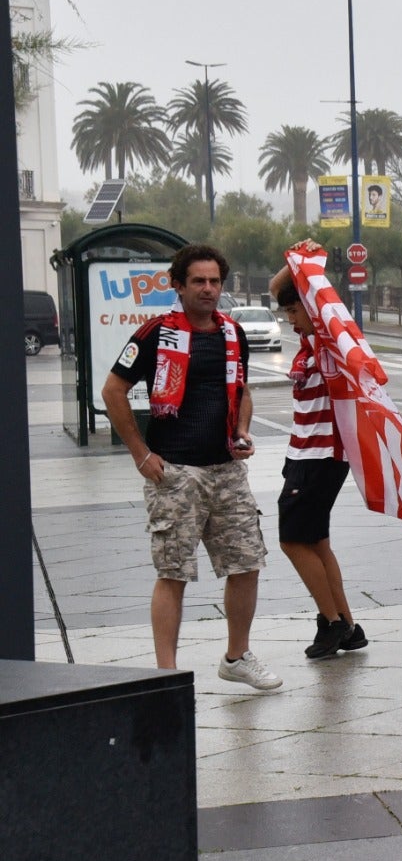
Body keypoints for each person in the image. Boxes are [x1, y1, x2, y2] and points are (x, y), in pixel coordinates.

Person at [101, 243, 278, 690]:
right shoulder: (155, 334)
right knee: (173, 572)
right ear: (177, 286)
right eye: (198, 281)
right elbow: (112, 391)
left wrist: (241, 431)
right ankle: (166, 675)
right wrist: (141, 454)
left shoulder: (233, 333)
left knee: (246, 565)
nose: (208, 289)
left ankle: (237, 657)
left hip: (226, 471)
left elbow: (242, 391)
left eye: (215, 281)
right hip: (175, 473)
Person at [268, 265, 368, 659]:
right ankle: (347, 622)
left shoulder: (328, 340)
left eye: (294, 311)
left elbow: (315, 298)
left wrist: (307, 267)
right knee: (316, 543)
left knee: (292, 541)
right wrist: (291, 265)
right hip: (306, 453)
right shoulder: (310, 341)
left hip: (320, 454)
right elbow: (280, 286)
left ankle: (332, 622)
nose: (290, 320)